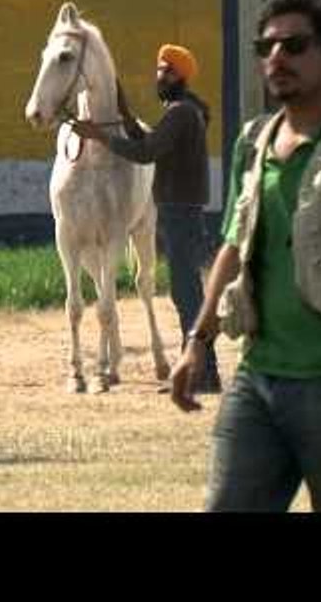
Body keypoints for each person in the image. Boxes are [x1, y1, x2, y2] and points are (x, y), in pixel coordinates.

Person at [170, 0, 321, 512]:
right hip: (258, 380)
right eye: (266, 48)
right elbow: (233, 246)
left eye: (295, 45)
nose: (277, 58)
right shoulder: (253, 143)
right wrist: (198, 342)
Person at [72, 44, 221, 393]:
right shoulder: (180, 111)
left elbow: (146, 152)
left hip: (181, 212)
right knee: (187, 294)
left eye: (167, 71)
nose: (160, 76)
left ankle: (203, 373)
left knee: (187, 296)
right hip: (180, 211)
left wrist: (100, 136)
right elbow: (150, 141)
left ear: (181, 77)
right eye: (158, 69)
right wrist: (123, 112)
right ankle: (201, 372)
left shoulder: (181, 113)